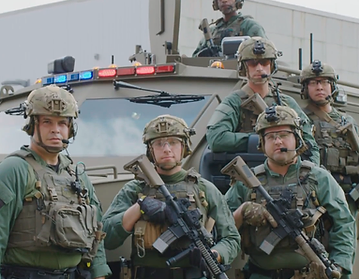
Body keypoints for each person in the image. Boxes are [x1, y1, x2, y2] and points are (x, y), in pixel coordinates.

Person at [102, 115, 241, 279]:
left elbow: (231, 238)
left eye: (173, 142)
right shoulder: (135, 189)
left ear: (184, 146)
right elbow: (107, 238)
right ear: (150, 150)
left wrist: (215, 254)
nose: (167, 149)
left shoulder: (204, 189)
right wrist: (139, 207)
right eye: (159, 143)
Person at [225, 105, 355, 279]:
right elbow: (221, 230)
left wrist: (340, 267)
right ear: (262, 143)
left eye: (284, 135)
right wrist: (242, 212)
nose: (278, 141)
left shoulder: (319, 178)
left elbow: (344, 225)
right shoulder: (246, 182)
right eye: (271, 136)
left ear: (297, 138)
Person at [0, 85, 111, 279]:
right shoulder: (14, 170)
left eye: (62, 123)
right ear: (33, 125)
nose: (55, 130)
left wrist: (99, 274)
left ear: (70, 128)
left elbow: (96, 233)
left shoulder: (77, 175)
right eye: (47, 122)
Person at [206, 36, 320, 165]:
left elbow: (310, 146)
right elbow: (216, 138)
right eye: (253, 63)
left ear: (272, 66)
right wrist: (261, 140)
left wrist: (312, 172)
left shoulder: (287, 103)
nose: (259, 68)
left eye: (265, 63)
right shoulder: (234, 102)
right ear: (244, 67)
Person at [300, 60, 359, 216]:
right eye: (313, 83)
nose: (319, 87)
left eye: (325, 82)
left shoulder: (347, 121)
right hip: (315, 195)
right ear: (306, 89)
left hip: (347, 195)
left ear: (332, 86)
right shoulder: (300, 119)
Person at [192, 0, 267, 57]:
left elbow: (265, 52)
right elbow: (194, 58)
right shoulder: (212, 32)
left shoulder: (249, 26)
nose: (224, 0)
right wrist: (204, 54)